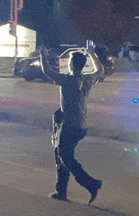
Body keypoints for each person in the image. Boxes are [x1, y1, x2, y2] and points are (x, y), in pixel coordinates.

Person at [39, 40, 104, 205]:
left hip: (69, 125)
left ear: (71, 64)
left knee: (64, 155)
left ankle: (91, 184)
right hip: (81, 126)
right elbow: (101, 70)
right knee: (62, 155)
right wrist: (92, 53)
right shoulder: (88, 79)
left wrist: (43, 56)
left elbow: (47, 71)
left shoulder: (67, 80)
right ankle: (61, 191)